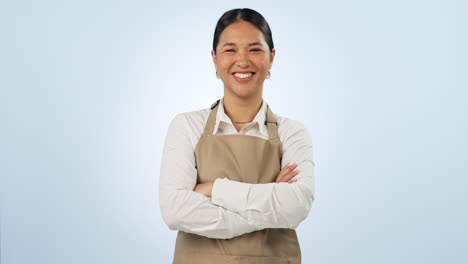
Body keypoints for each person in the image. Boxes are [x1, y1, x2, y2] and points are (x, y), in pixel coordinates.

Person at [159, 8, 315, 264]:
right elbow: (175, 211)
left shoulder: (293, 133)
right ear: (214, 58)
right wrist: (271, 201)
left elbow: (296, 207)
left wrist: (214, 189)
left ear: (271, 57)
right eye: (230, 50)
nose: (242, 61)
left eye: (254, 49)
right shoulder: (186, 126)